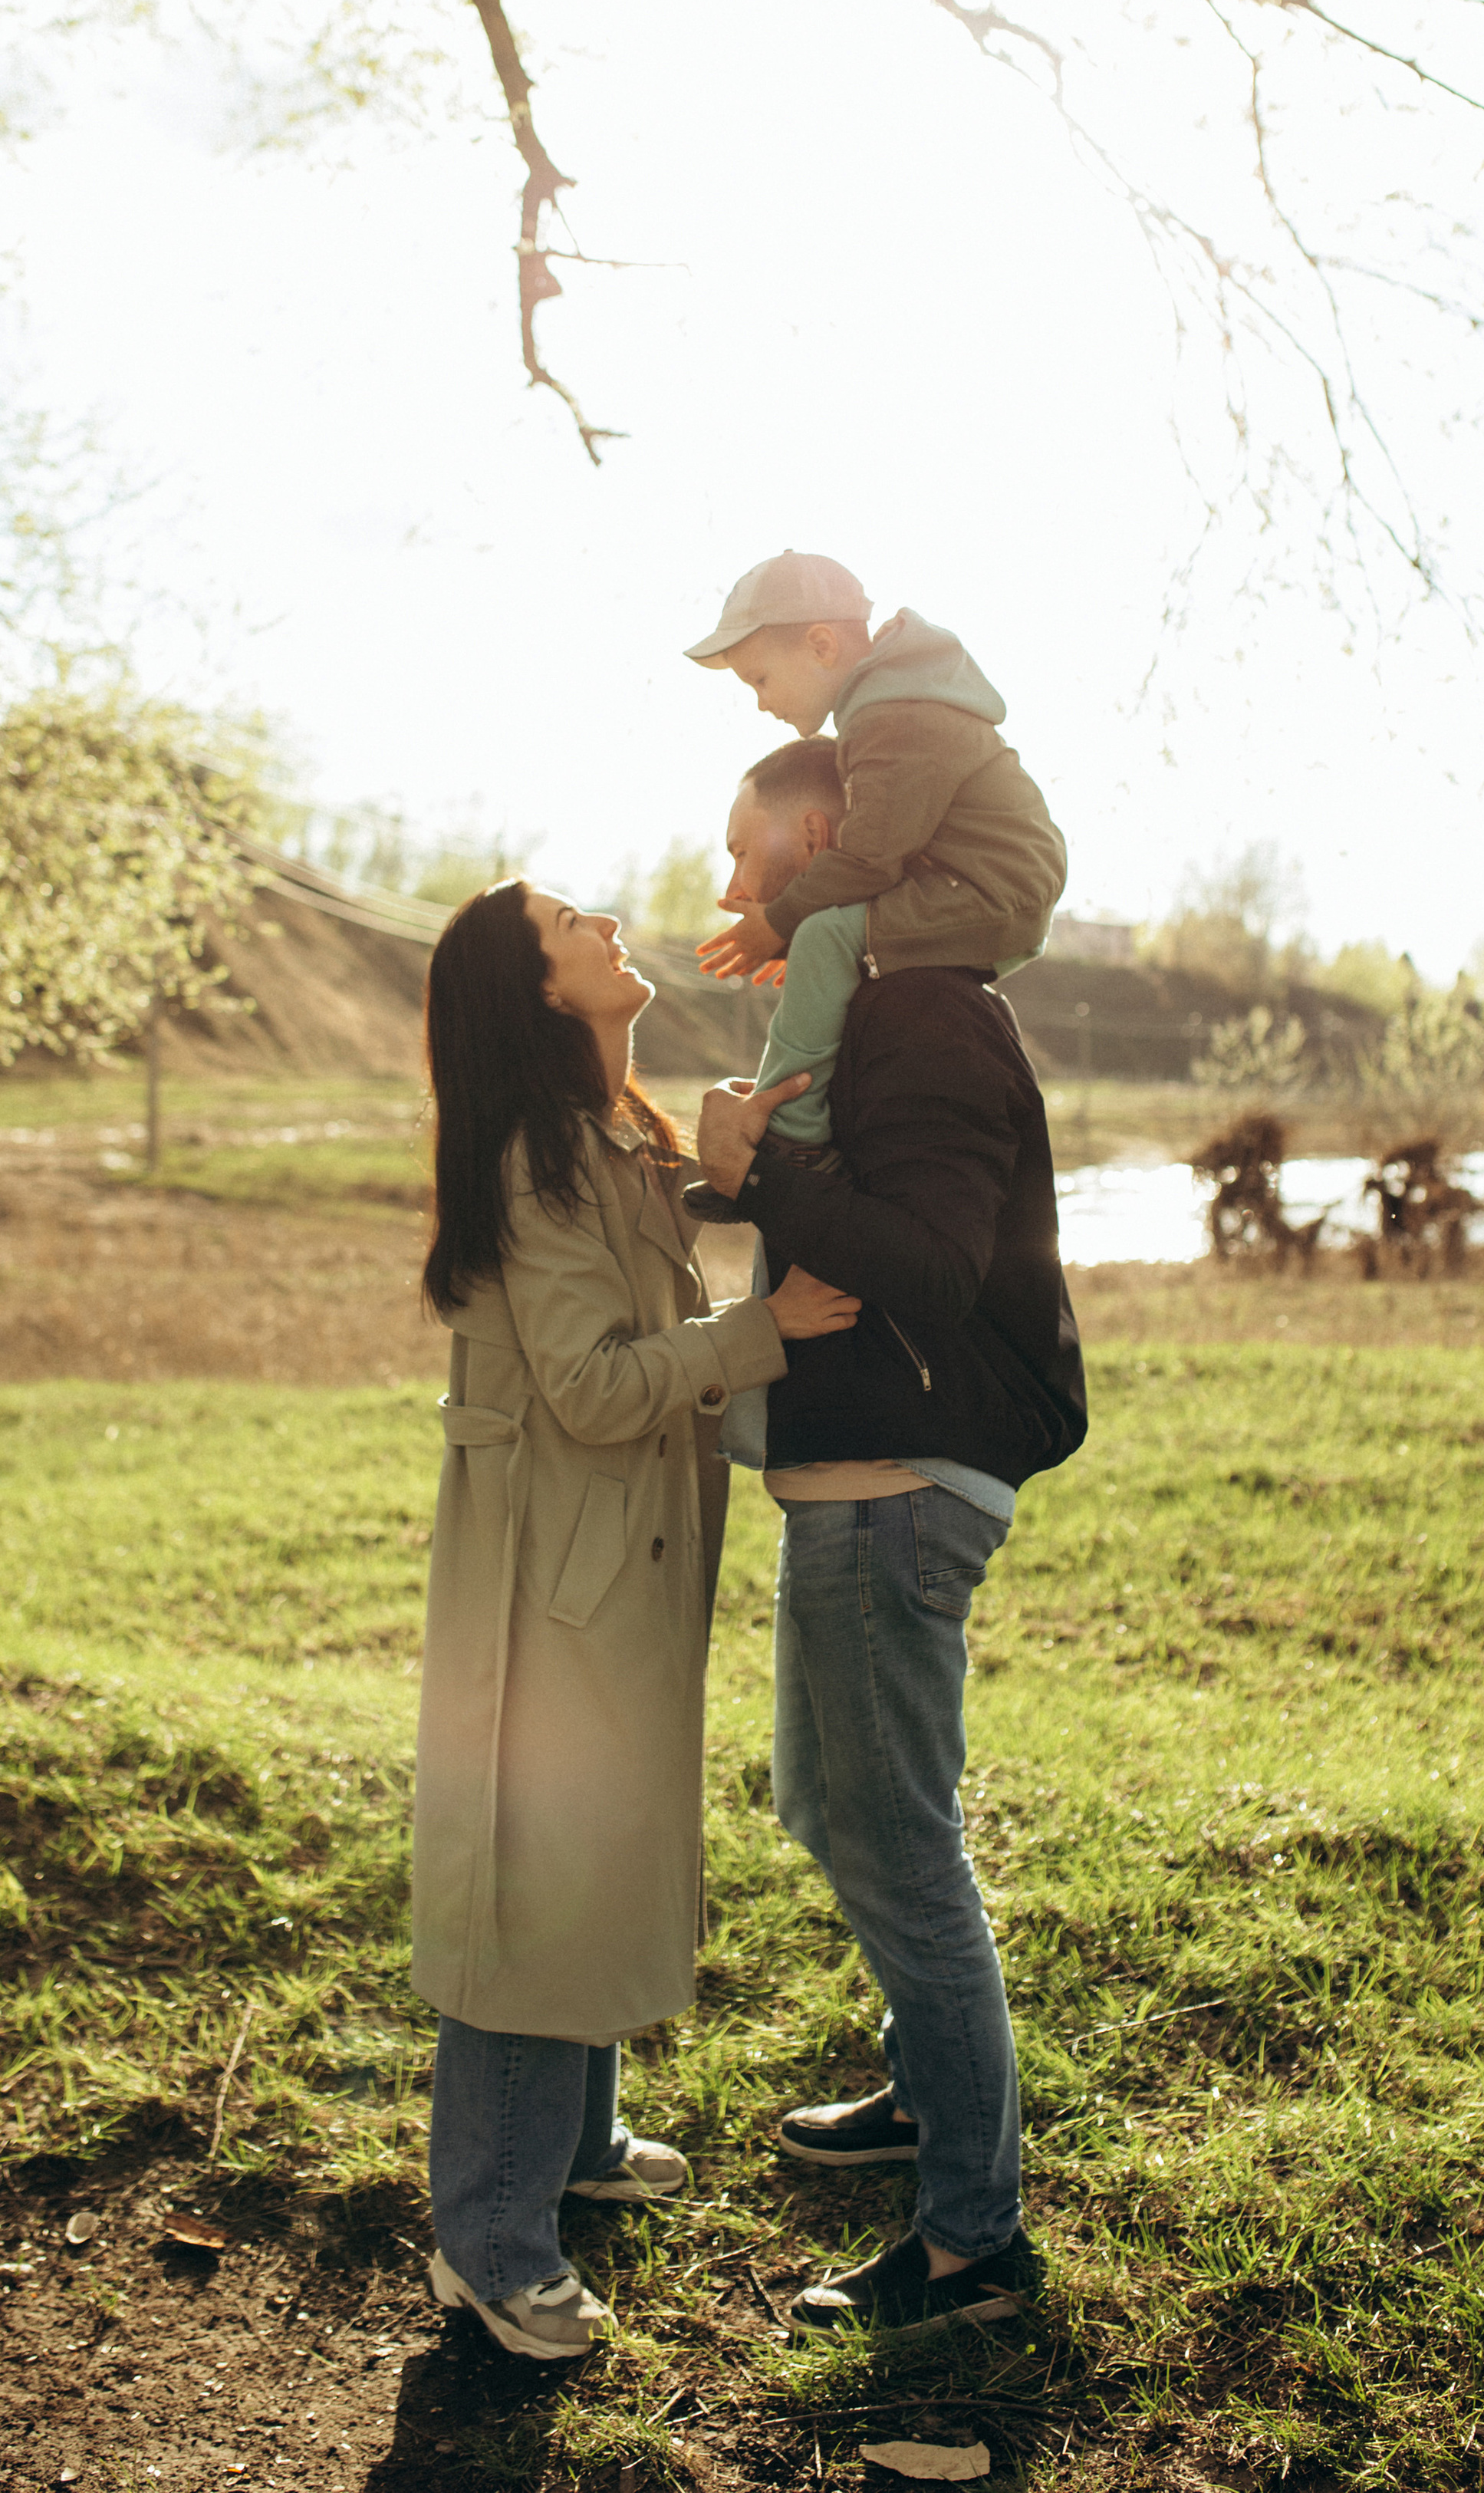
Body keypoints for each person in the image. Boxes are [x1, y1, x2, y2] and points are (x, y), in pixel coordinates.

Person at [412, 878, 860, 2361]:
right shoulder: (535, 1158)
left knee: (591, 1847)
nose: (606, 921)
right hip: (558, 1566)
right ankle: (489, 2236)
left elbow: (658, 1226)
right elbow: (594, 1384)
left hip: (614, 1553)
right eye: (569, 923)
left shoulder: (612, 1136)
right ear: (539, 993)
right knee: (534, 1887)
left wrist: (725, 1153)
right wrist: (761, 1331)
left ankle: (578, 2146)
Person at [694, 744, 1088, 2337]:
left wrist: (760, 1172)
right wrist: (735, 1178)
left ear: (818, 831)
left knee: (901, 1850)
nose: (728, 886)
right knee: (835, 1818)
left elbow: (924, 1266)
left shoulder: (922, 1012)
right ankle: (930, 2093)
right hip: (855, 1480)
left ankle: (966, 2247)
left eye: (741, 850)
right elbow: (848, 1224)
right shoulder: (873, 1008)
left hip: (900, 1487)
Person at [682, 550, 1066, 1207]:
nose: (760, 703)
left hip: (989, 890)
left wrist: (779, 923)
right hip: (983, 884)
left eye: (761, 680)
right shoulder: (894, 700)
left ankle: (793, 1137)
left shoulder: (891, 715)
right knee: (830, 942)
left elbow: (869, 860)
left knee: (827, 938)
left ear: (823, 645)